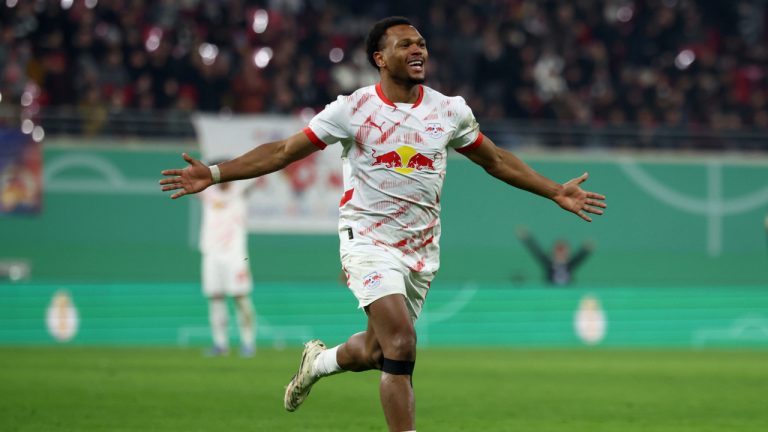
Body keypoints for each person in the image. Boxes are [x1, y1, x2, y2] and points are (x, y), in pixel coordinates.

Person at [159, 16, 607, 432]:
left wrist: (554, 190)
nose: (419, 51)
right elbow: (281, 152)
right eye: (406, 44)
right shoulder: (352, 110)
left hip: (420, 251)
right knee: (403, 344)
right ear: (380, 58)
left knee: (376, 351)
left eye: (422, 44)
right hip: (367, 241)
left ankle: (318, 364)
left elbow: (496, 160)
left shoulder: (449, 111)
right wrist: (215, 173)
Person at [198, 173, 257, 357]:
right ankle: (220, 343)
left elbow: (256, 175)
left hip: (235, 255)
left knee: (241, 297)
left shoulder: (239, 192)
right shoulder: (209, 193)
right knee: (215, 298)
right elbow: (191, 180)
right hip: (212, 254)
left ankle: (248, 342)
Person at [516, 226, 593, 286]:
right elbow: (537, 251)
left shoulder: (570, 264)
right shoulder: (548, 263)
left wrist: (586, 249)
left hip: (566, 294)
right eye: (558, 249)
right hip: (550, 294)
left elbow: (579, 258)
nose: (560, 253)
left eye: (562, 250)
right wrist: (527, 238)